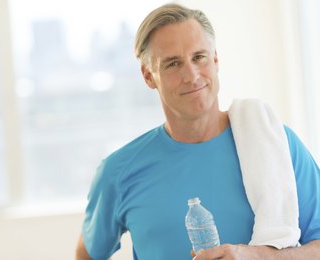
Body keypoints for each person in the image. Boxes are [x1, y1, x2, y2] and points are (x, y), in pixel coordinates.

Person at [76, 3, 320, 259]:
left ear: (215, 60)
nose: (191, 75)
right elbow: (86, 255)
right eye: (172, 64)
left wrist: (259, 256)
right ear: (148, 76)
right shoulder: (118, 172)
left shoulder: (277, 144)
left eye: (199, 57)